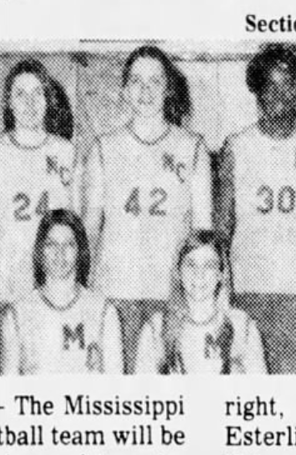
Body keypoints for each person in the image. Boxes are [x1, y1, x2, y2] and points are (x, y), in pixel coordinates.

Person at [83, 45, 211, 373]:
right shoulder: (103, 148)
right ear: (125, 90)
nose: (145, 91)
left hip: (171, 297)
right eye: (137, 82)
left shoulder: (192, 147)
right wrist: (88, 302)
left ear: (168, 88)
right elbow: (90, 231)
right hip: (115, 294)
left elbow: (203, 234)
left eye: (155, 82)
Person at [216, 43, 296, 375]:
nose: (278, 95)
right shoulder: (236, 147)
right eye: (269, 85)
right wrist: (222, 295)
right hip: (247, 291)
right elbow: (222, 230)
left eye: (287, 85)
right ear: (257, 91)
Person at [0, 59, 76, 374]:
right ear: (8, 102)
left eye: (37, 93)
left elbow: (77, 232)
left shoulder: (66, 153)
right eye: (19, 94)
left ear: (48, 100)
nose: (29, 103)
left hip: (50, 294)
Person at [2, 209, 122, 374]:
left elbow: (117, 389)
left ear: (80, 250)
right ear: (40, 250)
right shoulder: (18, 314)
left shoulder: (104, 312)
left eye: (69, 245)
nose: (60, 253)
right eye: (51, 245)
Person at [135, 230, 265, 374]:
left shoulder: (242, 327)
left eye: (209, 265)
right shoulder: (156, 328)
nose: (199, 274)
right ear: (178, 272)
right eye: (191, 264)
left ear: (221, 275)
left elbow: (262, 391)